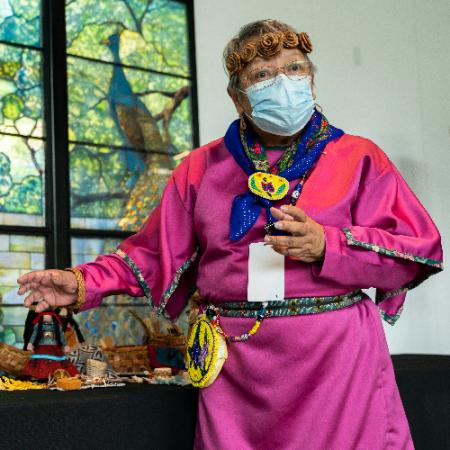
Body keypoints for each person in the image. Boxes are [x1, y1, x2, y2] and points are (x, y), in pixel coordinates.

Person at [18, 20, 442, 450]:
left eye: (295, 68)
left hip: (336, 363)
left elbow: (416, 251)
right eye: (262, 75)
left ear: (311, 77)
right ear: (237, 95)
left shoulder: (359, 158)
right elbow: (150, 254)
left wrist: (327, 245)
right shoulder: (200, 169)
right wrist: (82, 281)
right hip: (235, 367)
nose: (284, 83)